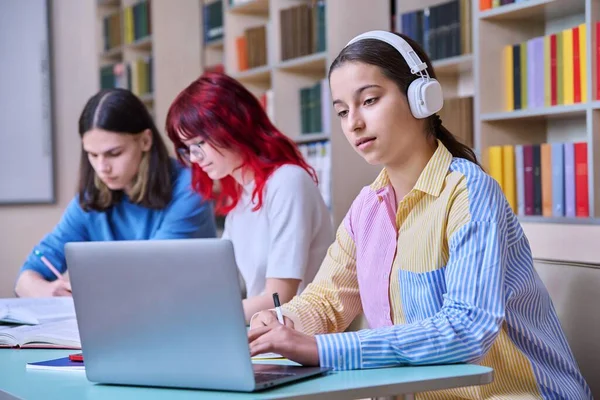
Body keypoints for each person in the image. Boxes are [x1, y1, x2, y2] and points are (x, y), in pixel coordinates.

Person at [248, 31, 592, 399]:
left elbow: (466, 329)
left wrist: (321, 350)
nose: (354, 123)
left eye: (369, 101)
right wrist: (280, 324)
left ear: (421, 98)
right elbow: (327, 300)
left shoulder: (469, 192)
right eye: (343, 111)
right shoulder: (367, 208)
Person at [165, 72, 334, 323]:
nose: (195, 157)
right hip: (266, 334)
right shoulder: (242, 199)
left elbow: (279, 298)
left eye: (199, 142)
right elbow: (221, 285)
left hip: (303, 338)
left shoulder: (287, 182)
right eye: (187, 148)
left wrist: (200, 317)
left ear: (233, 126)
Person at [15, 88, 218, 298]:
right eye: (92, 155)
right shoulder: (91, 198)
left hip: (184, 312)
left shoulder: (189, 187)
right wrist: (44, 289)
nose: (102, 167)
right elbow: (26, 278)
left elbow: (152, 274)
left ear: (145, 141)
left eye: (114, 153)